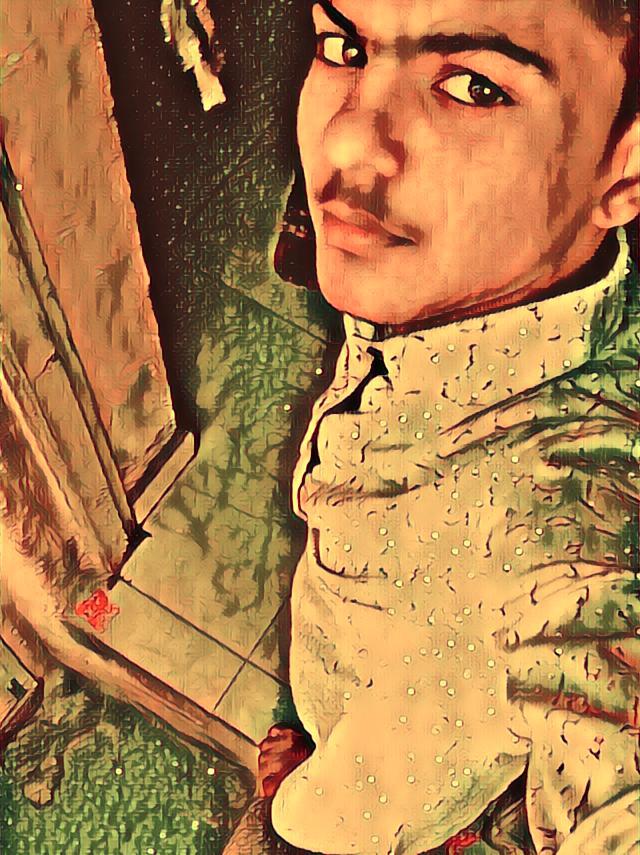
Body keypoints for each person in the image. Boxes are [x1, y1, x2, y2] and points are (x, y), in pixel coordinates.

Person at [227, 1, 640, 853]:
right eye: (343, 44)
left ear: (625, 168)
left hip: (369, 788)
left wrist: (290, 809)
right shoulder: (470, 275)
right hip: (348, 659)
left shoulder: (560, 538)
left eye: (475, 86)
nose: (345, 140)